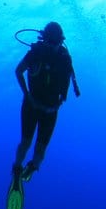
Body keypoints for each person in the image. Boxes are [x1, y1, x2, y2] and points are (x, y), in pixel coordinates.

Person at [11, 21, 77, 182]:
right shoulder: (35, 53)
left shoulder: (65, 58)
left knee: (40, 149)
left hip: (50, 110)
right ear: (44, 39)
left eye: (56, 42)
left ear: (61, 41)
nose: (52, 46)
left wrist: (61, 99)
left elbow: (68, 82)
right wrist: (27, 95)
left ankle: (32, 167)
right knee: (26, 142)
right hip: (32, 106)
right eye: (50, 41)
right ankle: (17, 167)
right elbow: (18, 71)